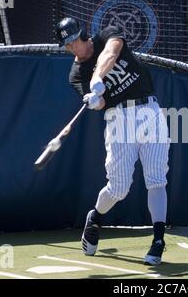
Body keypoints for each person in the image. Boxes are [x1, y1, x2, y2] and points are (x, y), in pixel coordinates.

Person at [56, 17, 170, 265]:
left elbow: (112, 51)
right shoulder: (76, 74)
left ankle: (158, 240)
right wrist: (96, 101)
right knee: (119, 188)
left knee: (156, 179)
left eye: (75, 39)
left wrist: (98, 76)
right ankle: (95, 217)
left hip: (149, 110)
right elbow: (102, 103)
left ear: (83, 33)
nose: (74, 46)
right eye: (68, 44)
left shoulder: (107, 34)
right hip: (119, 119)